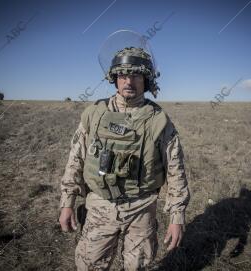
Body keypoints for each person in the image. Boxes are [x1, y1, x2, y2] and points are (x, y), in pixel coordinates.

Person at [59, 45, 190, 270]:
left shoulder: (159, 121)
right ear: (114, 78)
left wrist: (177, 216)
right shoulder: (94, 115)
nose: (128, 81)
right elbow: (76, 158)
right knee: (89, 265)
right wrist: (67, 202)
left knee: (138, 266)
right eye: (122, 75)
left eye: (136, 75)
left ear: (146, 80)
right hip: (100, 205)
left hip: (142, 208)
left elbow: (175, 169)